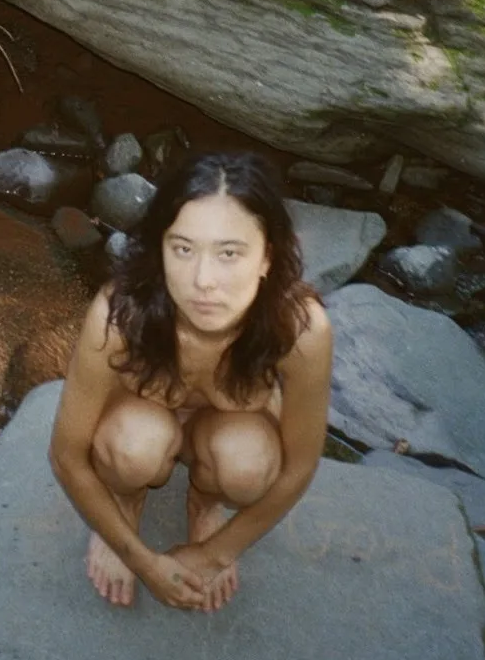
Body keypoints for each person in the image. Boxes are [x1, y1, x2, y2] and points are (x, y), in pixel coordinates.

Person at [49, 151, 332, 612]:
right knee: (134, 447)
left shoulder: (299, 330)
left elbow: (298, 467)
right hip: (137, 424)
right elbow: (66, 456)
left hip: (228, 435)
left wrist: (216, 551)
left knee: (249, 467)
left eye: (229, 254)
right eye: (183, 249)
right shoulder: (120, 313)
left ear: (267, 257)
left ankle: (204, 506)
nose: (203, 280)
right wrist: (140, 559)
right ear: (160, 250)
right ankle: (124, 505)